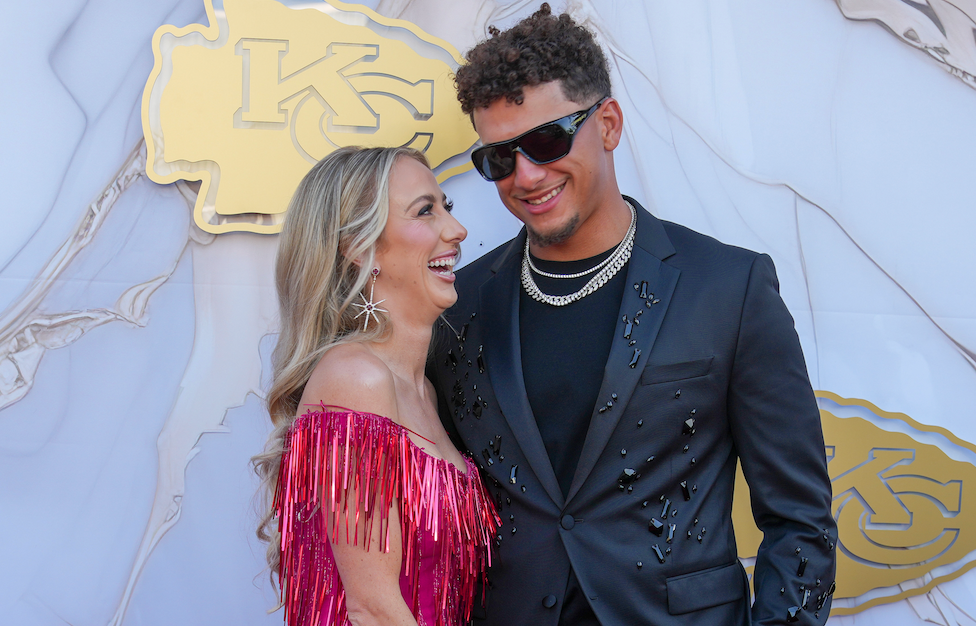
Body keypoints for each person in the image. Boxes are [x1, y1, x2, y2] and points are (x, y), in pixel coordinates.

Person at [428, 5, 837, 625]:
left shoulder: (729, 287)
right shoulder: (458, 309)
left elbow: (799, 520)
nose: (527, 175)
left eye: (546, 140)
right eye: (499, 159)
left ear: (609, 124)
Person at [254, 146, 499, 626]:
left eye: (447, 207)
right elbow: (372, 609)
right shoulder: (355, 378)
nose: (456, 230)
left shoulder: (425, 392)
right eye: (425, 211)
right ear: (360, 248)